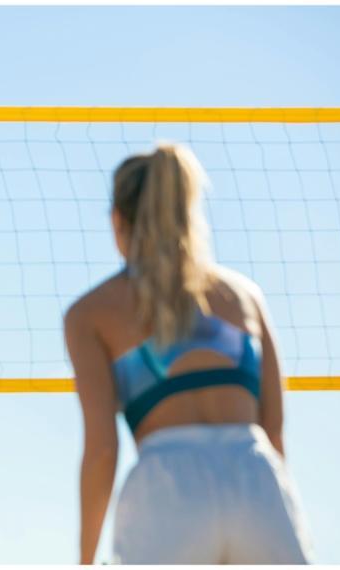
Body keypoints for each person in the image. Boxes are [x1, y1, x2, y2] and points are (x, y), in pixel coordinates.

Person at [64, 144, 313, 564]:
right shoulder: (244, 295)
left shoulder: (91, 312)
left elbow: (103, 450)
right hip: (256, 476)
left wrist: (85, 560)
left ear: (117, 222)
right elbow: (274, 428)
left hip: (167, 487)